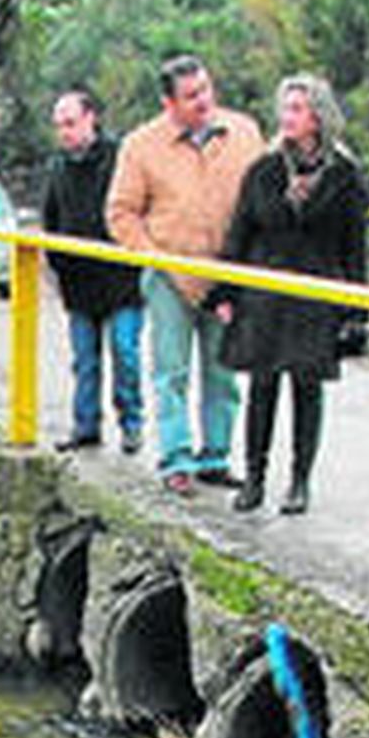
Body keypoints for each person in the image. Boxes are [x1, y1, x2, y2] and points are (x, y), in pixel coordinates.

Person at [107, 54, 264, 496]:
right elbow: (121, 213)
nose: (204, 101)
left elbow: (261, 196)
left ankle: (215, 456)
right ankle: (175, 458)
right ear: (168, 103)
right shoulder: (141, 145)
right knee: (170, 371)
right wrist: (154, 257)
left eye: (207, 90)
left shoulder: (244, 132)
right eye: (192, 95)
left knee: (223, 371)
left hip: (227, 273)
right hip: (169, 275)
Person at [212, 73, 369, 516]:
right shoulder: (264, 169)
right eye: (285, 109)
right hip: (266, 290)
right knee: (262, 386)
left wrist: (355, 309)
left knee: (307, 388)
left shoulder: (344, 175)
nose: (289, 118)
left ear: (318, 115)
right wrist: (225, 290)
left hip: (316, 291)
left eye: (298, 109)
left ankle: (300, 481)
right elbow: (240, 231)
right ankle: (254, 477)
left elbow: (353, 245)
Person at [41, 88, 144, 454]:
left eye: (70, 123)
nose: (64, 132)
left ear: (90, 119)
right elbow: (50, 220)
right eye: (58, 126)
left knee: (125, 353)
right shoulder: (58, 167)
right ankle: (86, 426)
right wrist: (59, 265)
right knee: (85, 361)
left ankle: (131, 423)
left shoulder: (121, 159)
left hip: (122, 281)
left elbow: (138, 210)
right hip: (79, 283)